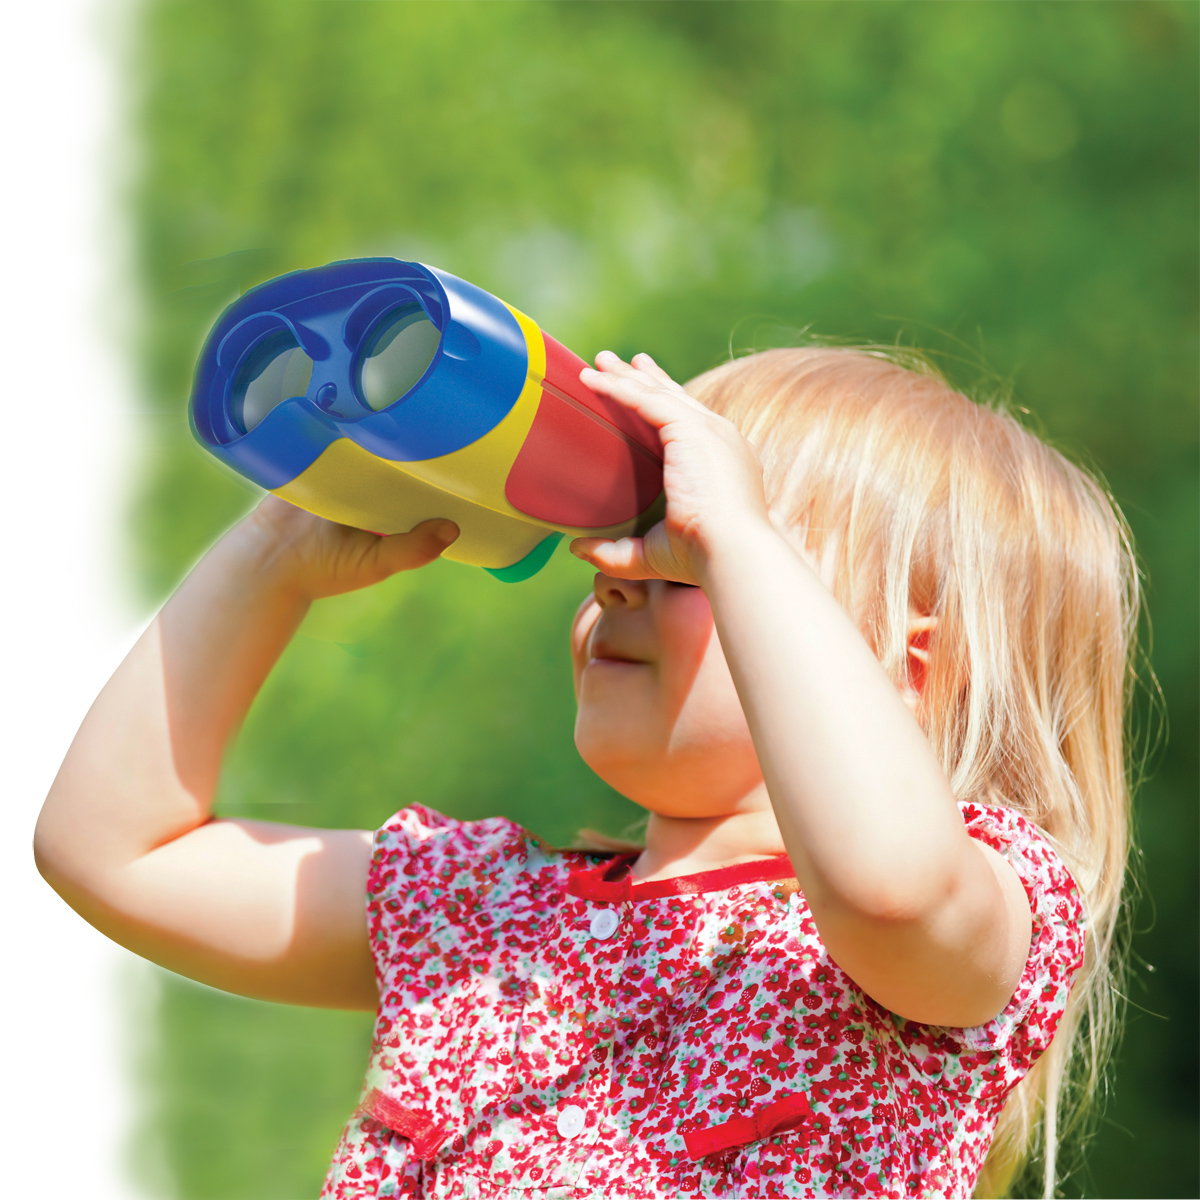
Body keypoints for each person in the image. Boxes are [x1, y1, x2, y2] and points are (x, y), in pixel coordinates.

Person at [34, 346, 1135, 1199]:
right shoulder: (480, 913)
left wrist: (738, 541)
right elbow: (115, 854)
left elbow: (888, 884)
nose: (615, 580)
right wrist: (273, 553)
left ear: (906, 672)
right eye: (628, 536)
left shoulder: (960, 927)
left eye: (682, 558)